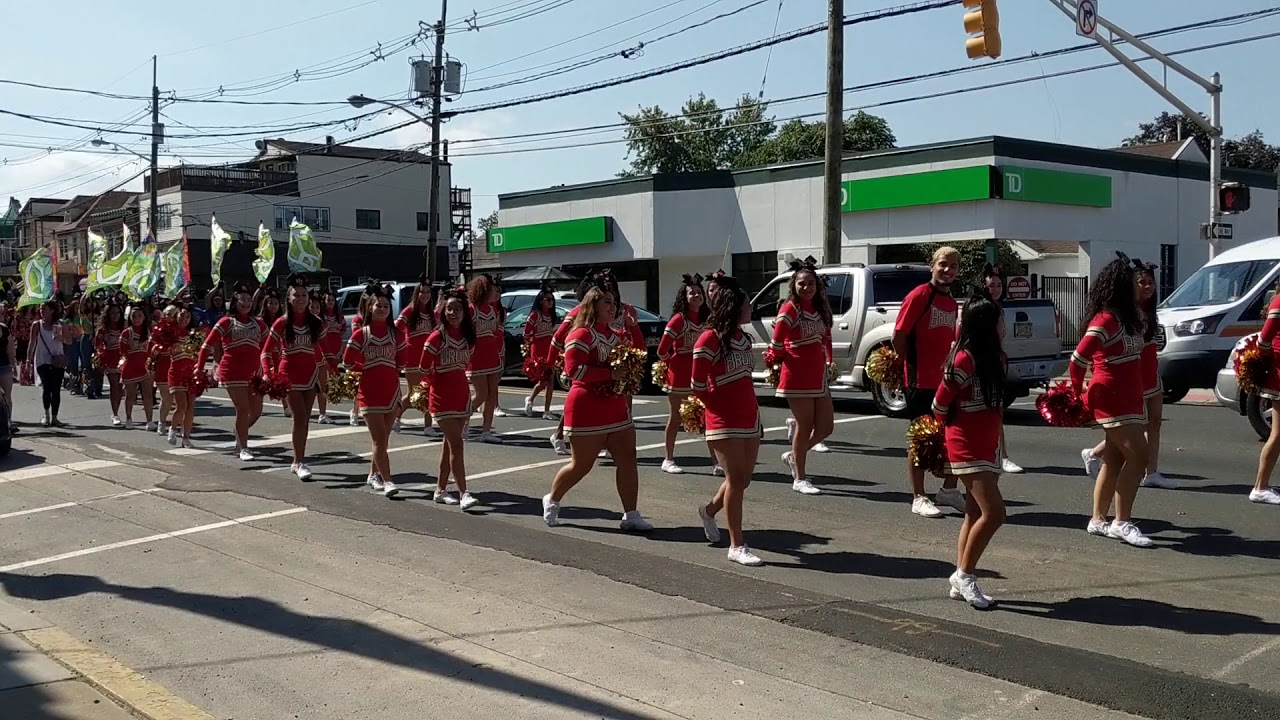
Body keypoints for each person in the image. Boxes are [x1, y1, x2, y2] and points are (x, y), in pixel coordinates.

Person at [542, 283, 652, 532]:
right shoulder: (580, 334)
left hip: (614, 405)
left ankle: (631, 514)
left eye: (614, 303)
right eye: (607, 303)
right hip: (586, 406)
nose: (613, 307)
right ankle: (553, 498)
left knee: (627, 458)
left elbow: (639, 354)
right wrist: (610, 374)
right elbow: (574, 371)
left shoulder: (614, 335)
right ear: (593, 306)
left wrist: (634, 327)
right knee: (581, 465)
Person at [1071, 255, 1152, 547]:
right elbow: (1078, 358)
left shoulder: (1129, 316)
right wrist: (1077, 392)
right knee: (1140, 457)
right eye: (1134, 282)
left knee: (1115, 458)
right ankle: (1122, 522)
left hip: (1130, 396)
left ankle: (1097, 519)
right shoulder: (1105, 318)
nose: (1140, 286)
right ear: (1121, 286)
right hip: (1111, 397)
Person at [935, 290, 1008, 609]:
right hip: (965, 444)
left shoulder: (997, 357)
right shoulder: (963, 359)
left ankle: (960, 576)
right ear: (986, 325)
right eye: (1000, 320)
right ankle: (965, 576)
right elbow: (938, 405)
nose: (1004, 325)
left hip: (988, 443)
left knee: (975, 512)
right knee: (995, 514)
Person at [692, 271, 763, 566]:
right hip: (723, 421)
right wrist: (716, 408)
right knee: (735, 479)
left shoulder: (743, 339)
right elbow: (696, 385)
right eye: (747, 304)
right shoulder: (709, 339)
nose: (750, 309)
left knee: (743, 480)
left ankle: (708, 511)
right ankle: (737, 545)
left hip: (750, 417)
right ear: (734, 306)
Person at [1081, 260, 1170, 489]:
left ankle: (1152, 471)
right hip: (1132, 377)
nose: (1148, 287)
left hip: (1151, 372)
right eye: (1142, 282)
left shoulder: (1149, 310)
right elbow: (1087, 353)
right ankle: (1094, 452)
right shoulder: (1120, 314)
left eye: (1151, 282)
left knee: (1155, 422)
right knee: (1132, 429)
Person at [893, 247, 963, 518]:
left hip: (945, 383)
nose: (948, 270)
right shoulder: (920, 295)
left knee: (953, 437)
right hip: (919, 381)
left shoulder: (950, 301)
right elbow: (900, 335)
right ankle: (919, 496)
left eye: (954, 266)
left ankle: (948, 490)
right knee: (921, 440)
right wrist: (900, 372)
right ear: (932, 266)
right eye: (943, 264)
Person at [769, 257, 835, 495]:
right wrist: (782, 359)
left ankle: (793, 456)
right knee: (805, 425)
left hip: (818, 376)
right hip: (797, 375)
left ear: (817, 286)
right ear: (794, 286)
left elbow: (825, 337)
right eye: (801, 284)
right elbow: (776, 342)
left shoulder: (819, 308)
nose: (806, 288)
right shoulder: (790, 308)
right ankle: (800, 478)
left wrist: (828, 359)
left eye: (811, 284)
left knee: (826, 427)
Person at [343, 283, 408, 497]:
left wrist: (388, 369)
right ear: (370, 308)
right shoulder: (361, 334)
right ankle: (388, 480)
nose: (382, 309)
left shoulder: (396, 334)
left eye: (386, 306)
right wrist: (367, 367)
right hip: (369, 392)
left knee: (383, 439)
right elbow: (347, 362)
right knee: (379, 439)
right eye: (378, 305)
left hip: (391, 391)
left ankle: (373, 475)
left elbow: (402, 362)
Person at [421, 286, 480, 509]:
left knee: (449, 446)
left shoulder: (467, 338)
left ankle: (440, 489)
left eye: (457, 309)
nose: (453, 313)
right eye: (449, 309)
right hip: (441, 398)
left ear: (465, 312)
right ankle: (464, 493)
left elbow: (466, 363)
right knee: (457, 444)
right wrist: (434, 381)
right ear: (442, 311)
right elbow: (423, 366)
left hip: (461, 396)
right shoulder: (436, 337)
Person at [262, 276, 326, 481]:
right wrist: (267, 372)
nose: (300, 298)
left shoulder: (316, 322)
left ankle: (298, 460)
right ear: (288, 298)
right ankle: (299, 462)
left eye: (304, 295)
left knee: (305, 419)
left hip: (310, 375)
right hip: (288, 375)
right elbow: (265, 352)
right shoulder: (282, 322)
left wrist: (328, 371)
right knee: (299, 417)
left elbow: (317, 352)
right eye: (296, 295)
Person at [963, 266, 1023, 474]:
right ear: (983, 287)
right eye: (991, 285)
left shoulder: (998, 308)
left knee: (996, 408)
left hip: (995, 362)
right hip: (977, 364)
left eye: (999, 285)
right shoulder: (976, 308)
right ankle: (988, 455)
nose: (996, 289)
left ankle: (1000, 455)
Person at [657, 274, 719, 476]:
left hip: (702, 374)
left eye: (700, 292)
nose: (697, 295)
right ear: (684, 297)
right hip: (680, 376)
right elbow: (661, 350)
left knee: (707, 417)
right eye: (692, 292)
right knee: (676, 418)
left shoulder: (708, 318)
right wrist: (673, 363)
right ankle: (668, 459)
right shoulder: (678, 320)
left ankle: (716, 461)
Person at [197, 285, 267, 460]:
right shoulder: (225, 322)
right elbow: (207, 345)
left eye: (249, 300)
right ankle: (243, 447)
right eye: (242, 299)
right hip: (232, 372)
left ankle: (239, 431)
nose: (246, 303)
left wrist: (272, 368)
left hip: (254, 373)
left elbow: (271, 345)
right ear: (235, 302)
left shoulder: (258, 323)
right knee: (242, 410)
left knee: (256, 411)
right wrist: (199, 368)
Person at [395, 277, 439, 436]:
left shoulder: (431, 314)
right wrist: (401, 348)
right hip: (412, 359)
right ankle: (396, 417)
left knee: (428, 392)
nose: (425, 295)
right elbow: (396, 329)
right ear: (417, 293)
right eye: (422, 292)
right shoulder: (410, 311)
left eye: (428, 292)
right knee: (415, 393)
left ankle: (428, 426)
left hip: (428, 358)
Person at [466, 273, 506, 442]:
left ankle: (486, 431)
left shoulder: (492, 310)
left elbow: (496, 333)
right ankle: (463, 422)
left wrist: (500, 353)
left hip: (492, 356)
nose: (494, 293)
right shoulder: (470, 309)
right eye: (490, 290)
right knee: (481, 394)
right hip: (477, 357)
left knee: (491, 395)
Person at [522, 283, 560, 420]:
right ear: (541, 301)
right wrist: (530, 343)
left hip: (550, 349)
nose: (550, 302)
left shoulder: (552, 315)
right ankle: (530, 399)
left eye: (552, 299)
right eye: (548, 299)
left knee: (550, 381)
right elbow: (526, 333)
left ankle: (547, 410)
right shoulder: (535, 315)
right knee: (544, 381)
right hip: (538, 350)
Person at [26, 300, 66, 427]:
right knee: (47, 386)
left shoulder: (60, 324)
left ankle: (55, 416)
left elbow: (69, 340)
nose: (42, 311)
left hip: (58, 359)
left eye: (45, 309)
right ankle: (46, 414)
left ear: (52, 310)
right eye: (41, 309)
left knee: (56, 389)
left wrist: (62, 338)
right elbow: (32, 343)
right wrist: (28, 359)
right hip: (43, 360)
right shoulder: (37, 325)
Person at [118, 306, 155, 430]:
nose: (137, 319)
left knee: (148, 394)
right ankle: (129, 418)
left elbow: (153, 348)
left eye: (140, 315)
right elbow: (122, 351)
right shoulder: (126, 332)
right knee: (130, 395)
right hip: (130, 367)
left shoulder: (149, 331)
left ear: (144, 317)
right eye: (134, 316)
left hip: (145, 367)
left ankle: (149, 421)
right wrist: (130, 350)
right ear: (129, 317)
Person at [168, 304, 197, 448]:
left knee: (191, 406)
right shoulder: (170, 333)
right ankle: (173, 430)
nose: (185, 319)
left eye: (188, 317)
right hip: (176, 372)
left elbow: (196, 355)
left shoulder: (192, 336)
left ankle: (186, 437)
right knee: (182, 405)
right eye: (182, 315)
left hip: (190, 373)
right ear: (176, 316)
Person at [316, 289, 347, 425]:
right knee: (321, 380)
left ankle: (324, 410)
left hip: (336, 348)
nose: (330, 302)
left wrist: (340, 349)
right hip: (322, 350)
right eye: (328, 300)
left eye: (332, 300)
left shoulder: (339, 315)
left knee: (331, 377)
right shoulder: (320, 317)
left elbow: (343, 330)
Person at [94, 301, 126, 426]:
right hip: (110, 359)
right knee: (114, 386)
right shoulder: (103, 330)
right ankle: (115, 413)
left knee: (120, 387)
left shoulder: (124, 327)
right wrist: (101, 355)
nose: (115, 315)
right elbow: (97, 345)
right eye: (113, 313)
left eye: (118, 313)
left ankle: (116, 410)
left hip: (123, 358)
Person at [0, 305, 15, 433]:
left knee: (7, 396)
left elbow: (10, 349)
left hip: (3, 365)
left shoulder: (4, 329)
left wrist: (13, 365)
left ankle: (8, 422)